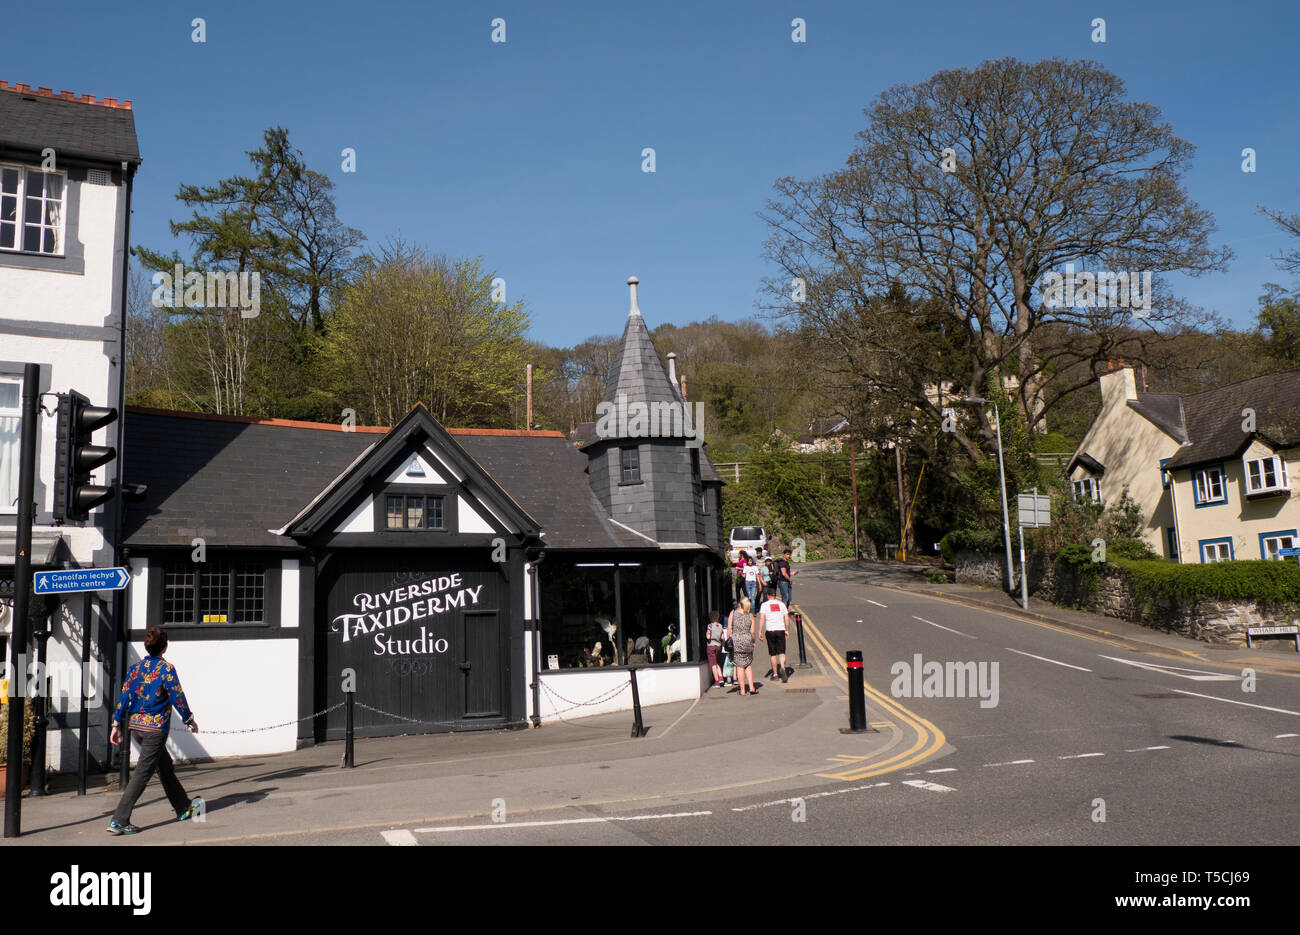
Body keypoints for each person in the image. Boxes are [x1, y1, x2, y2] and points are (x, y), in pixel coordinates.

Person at [108, 627, 202, 835]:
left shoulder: (135, 669)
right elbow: (177, 696)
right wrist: (188, 718)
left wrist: (116, 724)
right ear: (165, 646)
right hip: (155, 729)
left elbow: (124, 697)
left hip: (136, 727)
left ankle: (183, 807)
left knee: (165, 766)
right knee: (143, 772)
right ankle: (119, 820)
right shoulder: (166, 669)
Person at [757, 587, 792, 684]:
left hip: (770, 631)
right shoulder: (781, 604)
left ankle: (775, 674)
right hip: (781, 630)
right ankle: (783, 668)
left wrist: (759, 631)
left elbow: (762, 619)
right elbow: (787, 618)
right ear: (775, 596)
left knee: (773, 654)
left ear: (767, 596)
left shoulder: (764, 605)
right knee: (782, 652)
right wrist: (787, 630)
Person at [724, 597, 757, 696]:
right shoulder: (750, 615)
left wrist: (728, 640)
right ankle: (751, 687)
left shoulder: (733, 613)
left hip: (736, 641)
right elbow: (752, 631)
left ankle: (742, 690)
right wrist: (753, 641)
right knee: (748, 664)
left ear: (740, 604)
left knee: (739, 666)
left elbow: (729, 628)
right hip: (747, 640)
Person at [705, 611, 726, 688]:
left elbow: (708, 637)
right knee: (716, 663)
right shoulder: (720, 626)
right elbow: (722, 637)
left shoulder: (710, 625)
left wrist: (707, 634)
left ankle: (716, 681)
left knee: (713, 665)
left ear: (710, 618)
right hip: (718, 646)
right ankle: (721, 678)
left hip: (711, 646)